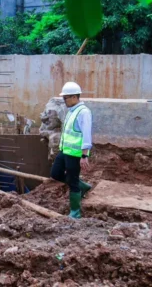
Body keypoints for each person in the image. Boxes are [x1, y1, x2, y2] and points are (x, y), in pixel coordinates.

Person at [50, 82, 93, 219]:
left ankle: (75, 212)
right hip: (65, 151)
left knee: (72, 182)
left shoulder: (83, 112)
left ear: (74, 97)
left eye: (66, 98)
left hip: (75, 154)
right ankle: (83, 186)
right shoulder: (72, 111)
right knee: (55, 173)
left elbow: (86, 135)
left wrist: (84, 156)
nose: (64, 101)